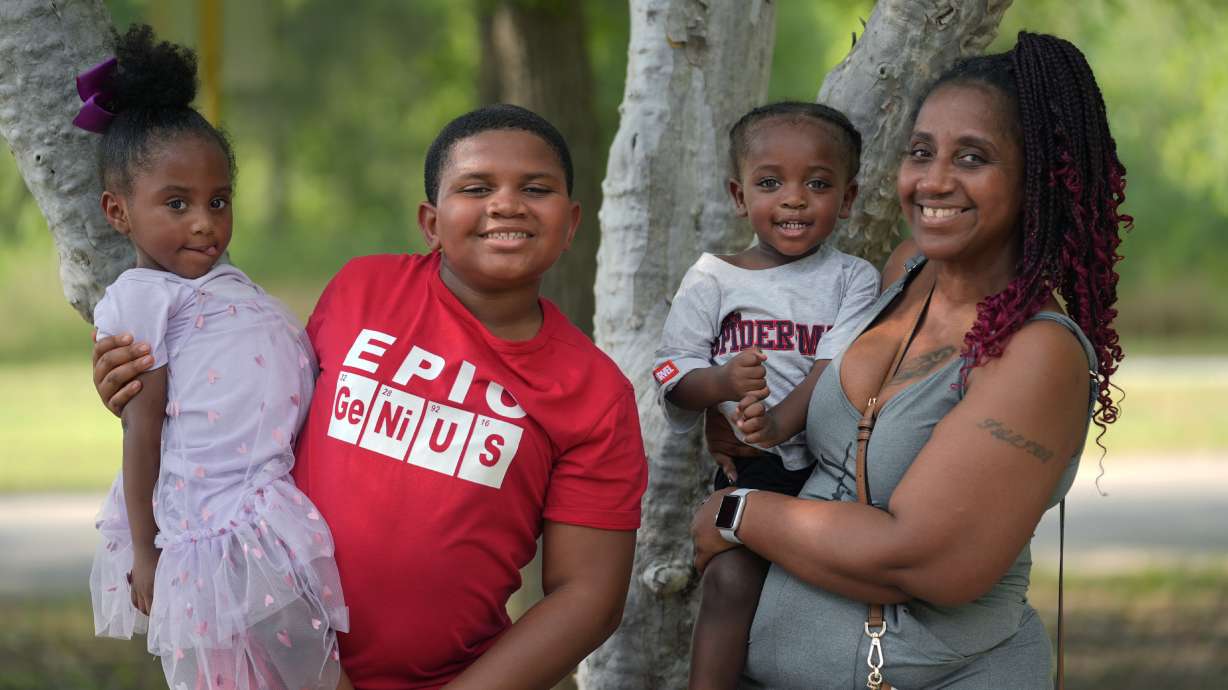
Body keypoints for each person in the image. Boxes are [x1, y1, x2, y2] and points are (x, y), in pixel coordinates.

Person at [93, 102, 648, 689]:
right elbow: (253, 400)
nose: (506, 203)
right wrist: (132, 382)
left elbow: (589, 596)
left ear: (572, 222)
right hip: (266, 657)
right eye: (477, 186)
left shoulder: (595, 395)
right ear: (430, 221)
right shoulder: (363, 290)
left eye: (535, 189)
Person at [691, 31, 1129, 689]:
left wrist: (737, 515)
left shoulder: (1037, 354)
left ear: (1039, 177)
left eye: (972, 157)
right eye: (920, 152)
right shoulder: (908, 271)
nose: (934, 181)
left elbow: (919, 561)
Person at [82, 25, 353, 690]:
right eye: (176, 204)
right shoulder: (140, 297)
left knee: (300, 671)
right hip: (217, 527)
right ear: (119, 212)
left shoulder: (219, 286)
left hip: (264, 508)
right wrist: (148, 551)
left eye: (218, 201)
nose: (204, 221)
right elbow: (142, 431)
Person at [652, 102, 879, 689]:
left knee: (825, 596)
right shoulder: (712, 279)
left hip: (832, 474)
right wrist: (722, 385)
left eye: (819, 184)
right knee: (731, 580)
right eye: (771, 183)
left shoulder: (854, 279)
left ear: (848, 199)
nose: (795, 199)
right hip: (751, 467)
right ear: (739, 193)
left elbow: (835, 368)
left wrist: (779, 421)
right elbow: (673, 376)